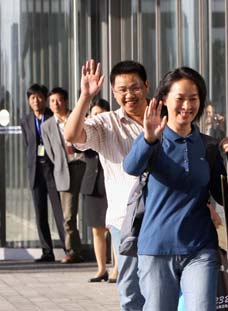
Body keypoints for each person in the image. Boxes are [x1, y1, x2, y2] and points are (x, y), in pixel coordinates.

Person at [122, 67, 228, 311]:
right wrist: (148, 139)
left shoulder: (208, 146)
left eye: (193, 98)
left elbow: (225, 196)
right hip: (157, 249)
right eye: (180, 98)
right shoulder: (153, 139)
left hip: (200, 248)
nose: (187, 106)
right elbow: (131, 167)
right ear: (165, 100)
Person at [64, 59, 148, 309]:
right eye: (122, 89)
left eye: (134, 87)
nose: (129, 94)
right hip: (126, 220)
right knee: (131, 288)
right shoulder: (106, 124)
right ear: (113, 92)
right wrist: (85, 97)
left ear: (146, 86)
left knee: (163, 284)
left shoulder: (166, 118)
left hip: (165, 216)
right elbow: (71, 135)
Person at [20, 84, 65, 262]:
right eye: (32, 98)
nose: (36, 101)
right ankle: (47, 252)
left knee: (59, 212)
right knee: (40, 213)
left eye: (39, 97)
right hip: (36, 170)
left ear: (44, 99)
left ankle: (68, 248)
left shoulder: (52, 117)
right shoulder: (25, 120)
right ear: (29, 101)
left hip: (52, 169)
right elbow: (28, 145)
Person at [41, 87, 86, 264]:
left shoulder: (77, 115)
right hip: (65, 169)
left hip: (82, 163)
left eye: (59, 100)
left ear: (66, 101)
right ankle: (73, 250)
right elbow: (50, 152)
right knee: (68, 214)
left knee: (94, 207)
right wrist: (61, 164)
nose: (56, 104)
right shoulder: (47, 126)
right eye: (52, 101)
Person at [81, 98, 118, 283]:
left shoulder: (114, 134)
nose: (97, 118)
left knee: (115, 229)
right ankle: (101, 268)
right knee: (97, 229)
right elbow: (74, 145)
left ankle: (117, 269)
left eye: (100, 114)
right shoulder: (86, 133)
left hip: (110, 185)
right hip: (92, 185)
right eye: (94, 114)